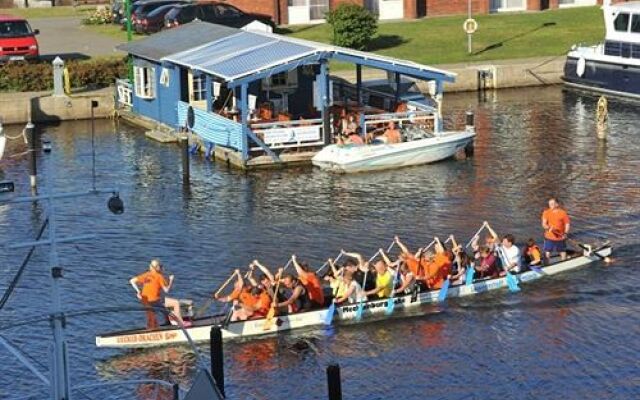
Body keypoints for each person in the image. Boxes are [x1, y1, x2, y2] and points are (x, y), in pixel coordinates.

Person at [130, 259, 187, 329]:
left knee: (163, 307)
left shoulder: (146, 275)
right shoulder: (159, 276)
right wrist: (171, 280)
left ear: (150, 267)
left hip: (145, 301)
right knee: (175, 303)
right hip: (154, 301)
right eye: (160, 266)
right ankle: (180, 323)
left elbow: (132, 281)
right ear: (157, 267)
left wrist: (138, 291)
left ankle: (168, 322)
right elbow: (166, 290)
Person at [541, 197, 571, 261]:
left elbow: (567, 224)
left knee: (562, 251)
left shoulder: (563, 213)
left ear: (557, 204)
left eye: (552, 204)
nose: (550, 205)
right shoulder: (546, 212)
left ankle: (564, 262)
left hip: (560, 236)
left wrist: (565, 233)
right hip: (549, 237)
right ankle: (546, 265)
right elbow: (544, 224)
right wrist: (548, 227)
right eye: (549, 204)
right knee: (547, 251)